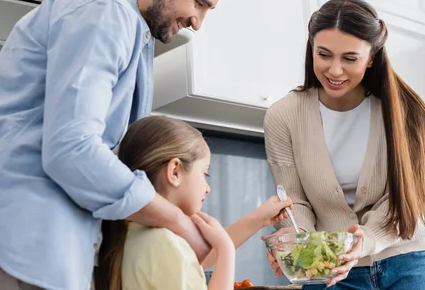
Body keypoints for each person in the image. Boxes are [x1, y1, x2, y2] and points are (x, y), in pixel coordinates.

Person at [0, 0, 243, 290]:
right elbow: (72, 149)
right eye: (199, 3)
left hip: (41, 246)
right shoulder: (105, 11)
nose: (198, 22)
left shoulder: (130, 28)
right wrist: (176, 220)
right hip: (25, 242)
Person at [262, 0, 425, 289]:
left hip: (407, 261)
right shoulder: (283, 116)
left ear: (371, 57)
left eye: (350, 58)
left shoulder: (405, 113)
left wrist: (367, 240)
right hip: (330, 271)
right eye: (324, 54)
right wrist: (296, 246)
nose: (334, 70)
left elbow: (410, 197)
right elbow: (293, 199)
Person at [95, 115, 293, 290]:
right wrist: (225, 251)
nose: (208, 187)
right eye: (205, 173)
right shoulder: (166, 244)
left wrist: (257, 219)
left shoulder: (128, 235)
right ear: (175, 172)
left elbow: (201, 255)